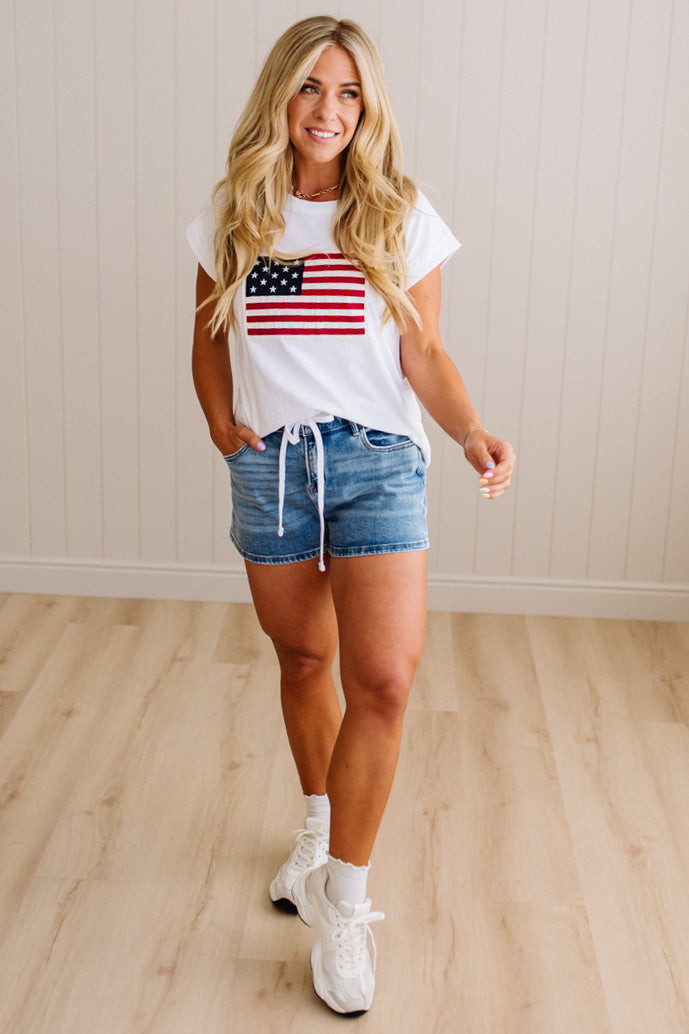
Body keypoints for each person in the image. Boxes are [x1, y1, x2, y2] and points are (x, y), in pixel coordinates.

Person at [186, 15, 515, 1016]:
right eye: (310, 89)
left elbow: (423, 354)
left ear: (366, 108)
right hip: (273, 469)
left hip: (377, 462)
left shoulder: (399, 212)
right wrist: (217, 421)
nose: (328, 110)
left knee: (381, 679)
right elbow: (207, 334)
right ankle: (316, 831)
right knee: (303, 662)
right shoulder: (235, 209)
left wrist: (466, 432)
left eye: (349, 93)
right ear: (278, 97)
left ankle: (343, 903)